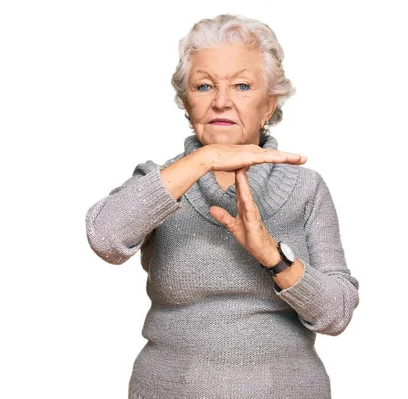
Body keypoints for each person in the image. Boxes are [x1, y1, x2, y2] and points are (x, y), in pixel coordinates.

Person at [85, 13, 360, 399]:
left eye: (242, 85)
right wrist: (203, 159)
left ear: (269, 105)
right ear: (186, 103)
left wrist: (271, 256)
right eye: (204, 86)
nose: (221, 101)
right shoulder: (158, 181)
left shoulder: (306, 188)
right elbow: (105, 238)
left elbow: (336, 313)